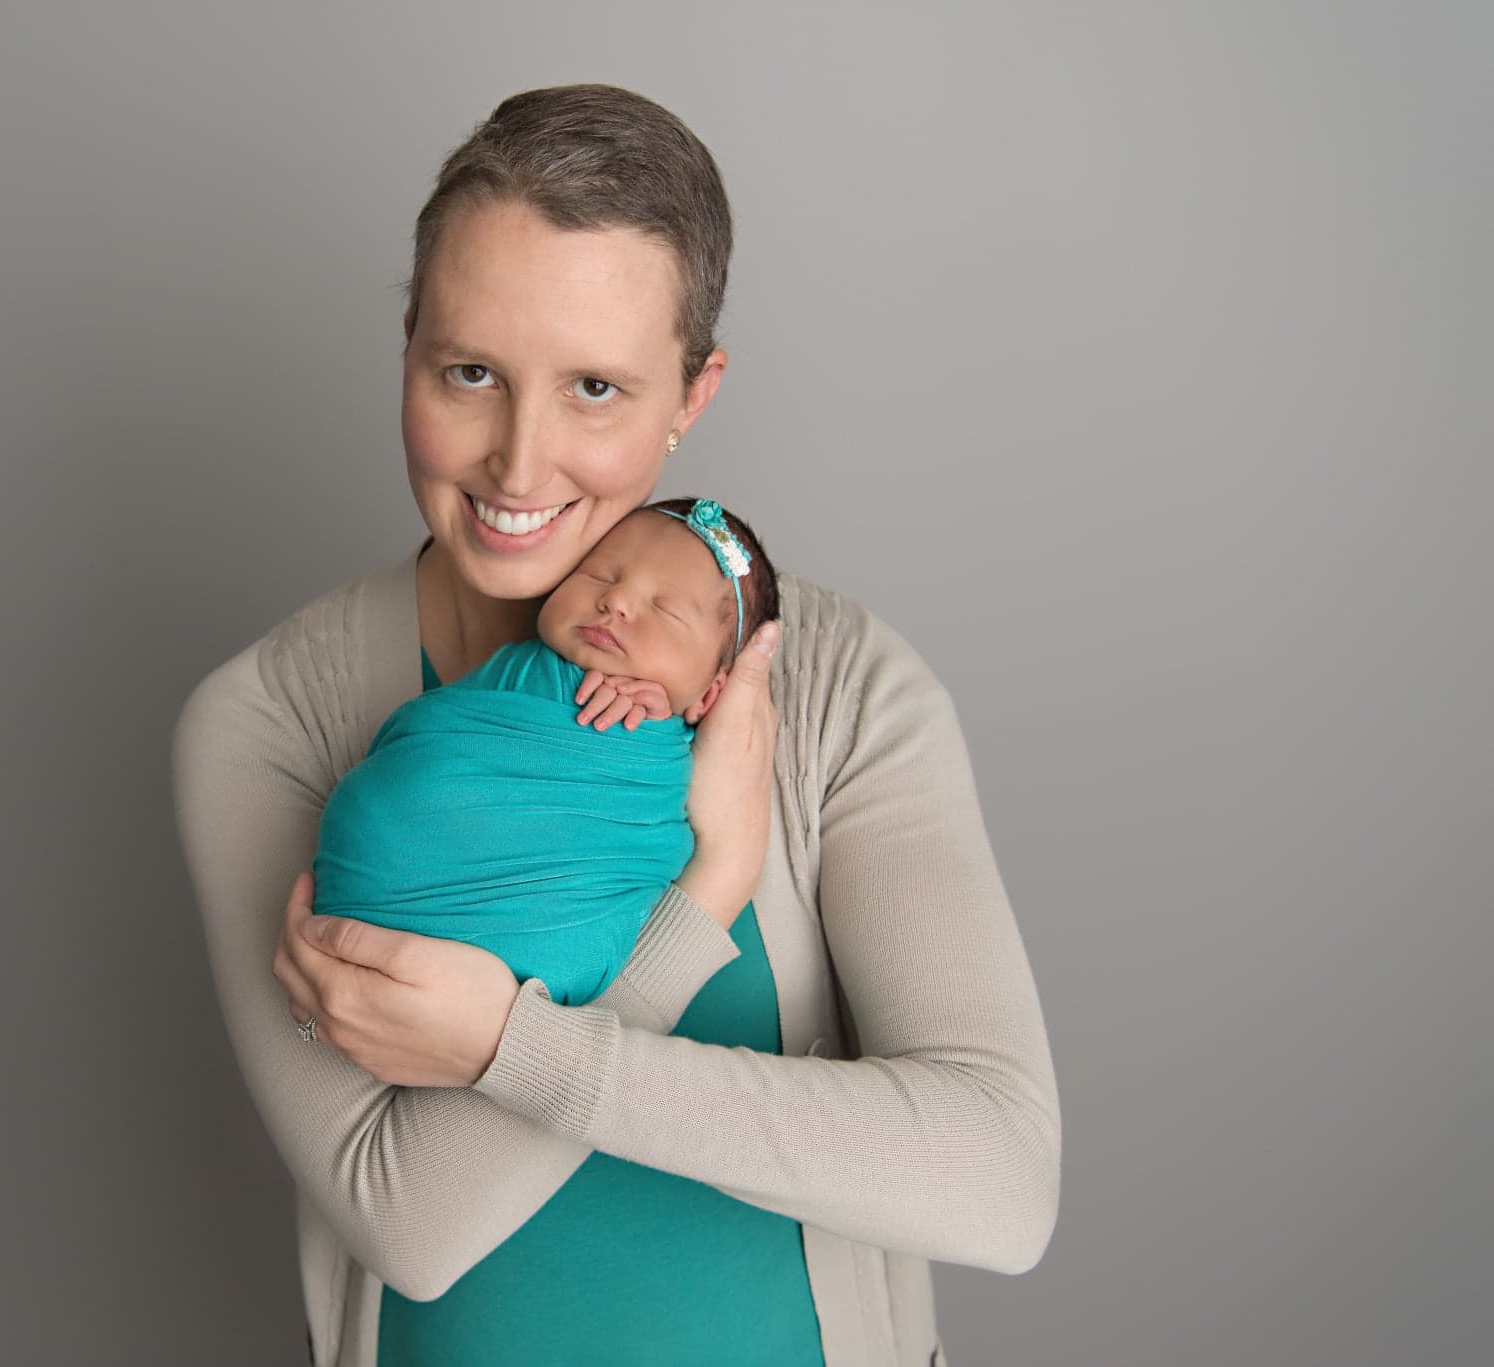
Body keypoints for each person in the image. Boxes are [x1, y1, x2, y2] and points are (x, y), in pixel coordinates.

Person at [172, 84, 1060, 1367]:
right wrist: (698, 905)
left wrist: (506, 1050)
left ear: (691, 394)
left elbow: (997, 1180)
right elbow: (410, 1219)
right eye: (469, 372)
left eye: (594, 386)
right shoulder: (272, 722)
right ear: (408, 340)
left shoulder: (841, 691)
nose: (518, 466)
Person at [311, 497, 783, 1007]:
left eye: (665, 611)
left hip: (535, 943)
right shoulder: (515, 669)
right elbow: (432, 731)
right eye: (599, 575)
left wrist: (655, 728)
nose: (616, 601)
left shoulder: (669, 743)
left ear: (712, 694)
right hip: (358, 902)